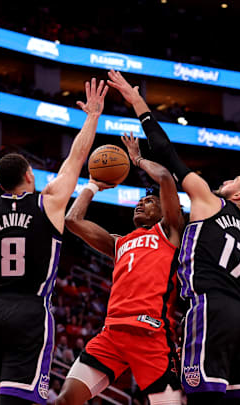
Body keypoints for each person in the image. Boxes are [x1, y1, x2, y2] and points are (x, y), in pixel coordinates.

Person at [108, 70, 240, 404]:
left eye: (235, 179)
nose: (228, 180)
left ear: (239, 197)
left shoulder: (210, 202)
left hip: (210, 307)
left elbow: (168, 154)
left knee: (198, 397)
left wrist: (138, 103)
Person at [0, 78, 108, 405]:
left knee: (3, 399)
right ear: (28, 176)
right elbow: (77, 158)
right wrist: (92, 116)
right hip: (30, 311)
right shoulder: (47, 202)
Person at [56, 133, 184, 405]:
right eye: (140, 200)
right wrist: (91, 185)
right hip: (112, 334)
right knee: (66, 400)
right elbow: (72, 220)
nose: (141, 202)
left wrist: (137, 159)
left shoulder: (171, 231)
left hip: (151, 335)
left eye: (150, 201)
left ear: (165, 210)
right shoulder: (119, 242)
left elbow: (164, 178)